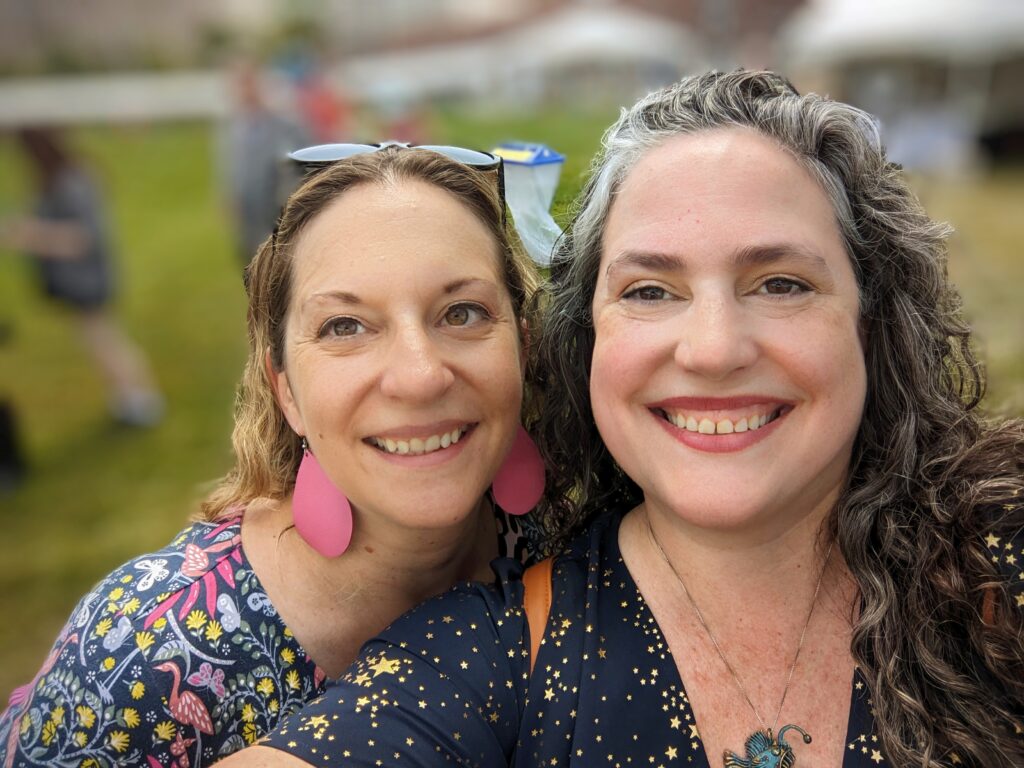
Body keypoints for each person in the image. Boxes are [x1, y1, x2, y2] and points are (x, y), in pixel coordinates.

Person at [223, 70, 1024, 767]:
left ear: (873, 322)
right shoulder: (492, 657)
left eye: (780, 283)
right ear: (585, 340)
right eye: (649, 290)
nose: (712, 350)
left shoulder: (1002, 552)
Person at [0, 144, 546, 766]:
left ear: (522, 351)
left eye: (462, 312)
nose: (419, 376)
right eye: (345, 326)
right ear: (284, 387)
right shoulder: (141, 657)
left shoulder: (582, 552)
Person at [1, 127, 164, 427]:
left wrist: (29, 235)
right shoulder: (61, 180)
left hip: (88, 279)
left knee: (107, 340)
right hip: (78, 279)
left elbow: (81, 239)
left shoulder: (71, 182)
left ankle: (142, 402)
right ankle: (126, 398)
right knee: (98, 341)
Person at [218, 58, 311, 266]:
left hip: (271, 200)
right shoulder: (232, 126)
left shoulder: (280, 123)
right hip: (247, 203)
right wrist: (227, 194)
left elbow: (298, 155)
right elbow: (228, 163)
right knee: (249, 252)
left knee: (274, 252)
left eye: (249, 83)